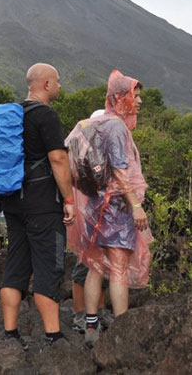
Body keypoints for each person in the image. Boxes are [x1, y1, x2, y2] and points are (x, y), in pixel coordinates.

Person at [68, 70, 152, 346]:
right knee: (117, 268)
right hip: (114, 207)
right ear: (119, 97)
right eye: (134, 96)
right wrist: (136, 206)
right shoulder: (115, 127)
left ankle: (91, 325)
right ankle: (121, 329)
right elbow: (119, 170)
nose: (138, 102)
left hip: (94, 206)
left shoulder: (94, 124)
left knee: (95, 265)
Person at [0, 63, 76, 349]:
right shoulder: (46, 115)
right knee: (48, 266)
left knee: (16, 262)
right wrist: (69, 200)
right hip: (43, 204)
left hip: (13, 202)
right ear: (46, 84)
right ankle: (53, 337)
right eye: (57, 81)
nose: (60, 86)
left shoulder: (13, 114)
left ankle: (10, 334)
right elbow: (58, 159)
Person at [70, 110, 111, 334]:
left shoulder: (110, 148)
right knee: (84, 265)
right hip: (89, 213)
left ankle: (100, 310)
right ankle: (79, 314)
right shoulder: (82, 150)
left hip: (109, 215)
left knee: (103, 265)